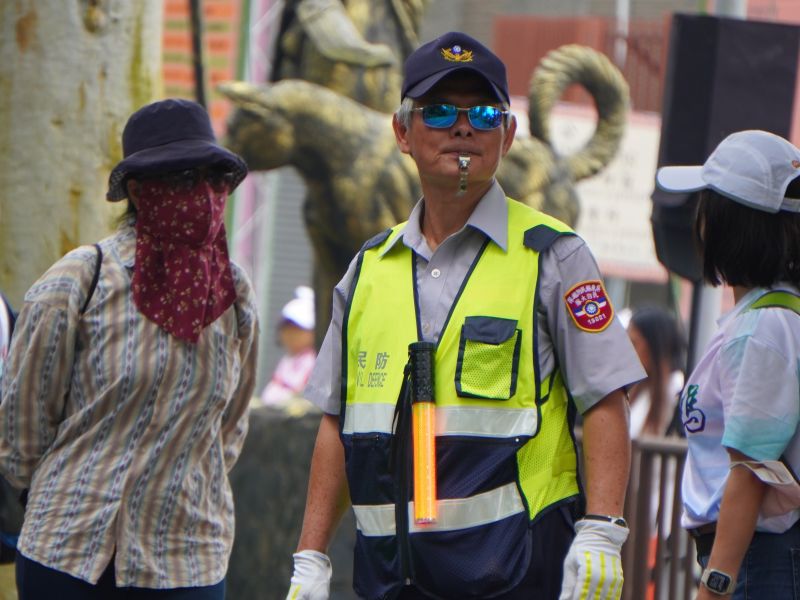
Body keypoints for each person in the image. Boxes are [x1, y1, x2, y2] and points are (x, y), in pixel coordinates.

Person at [285, 31, 645, 600]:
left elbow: (605, 397)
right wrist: (311, 556)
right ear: (402, 132)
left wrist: (602, 530)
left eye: (483, 113)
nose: (462, 128)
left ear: (509, 134)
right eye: (438, 112)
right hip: (389, 579)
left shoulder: (553, 255)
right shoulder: (368, 269)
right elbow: (336, 420)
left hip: (516, 572)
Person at [0, 98, 259, 599]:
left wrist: (174, 486)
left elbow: (230, 426)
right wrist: (71, 491)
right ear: (140, 190)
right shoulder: (80, 279)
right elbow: (22, 426)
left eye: (216, 179)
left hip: (187, 560)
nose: (205, 195)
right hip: (70, 556)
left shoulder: (234, 292)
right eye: (184, 178)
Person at [655, 129, 800, 599]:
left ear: (724, 223)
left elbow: (750, 471)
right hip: (758, 558)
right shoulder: (771, 316)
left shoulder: (763, 327)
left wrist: (715, 586)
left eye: (704, 207)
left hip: (759, 561)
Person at [626, 306, 686, 438]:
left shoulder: (677, 389)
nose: (628, 352)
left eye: (634, 344)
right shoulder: (639, 387)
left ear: (655, 346)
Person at [261, 285, 317, 407]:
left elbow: (297, 395)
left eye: (298, 330)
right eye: (287, 329)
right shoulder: (287, 360)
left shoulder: (312, 360)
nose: (291, 335)